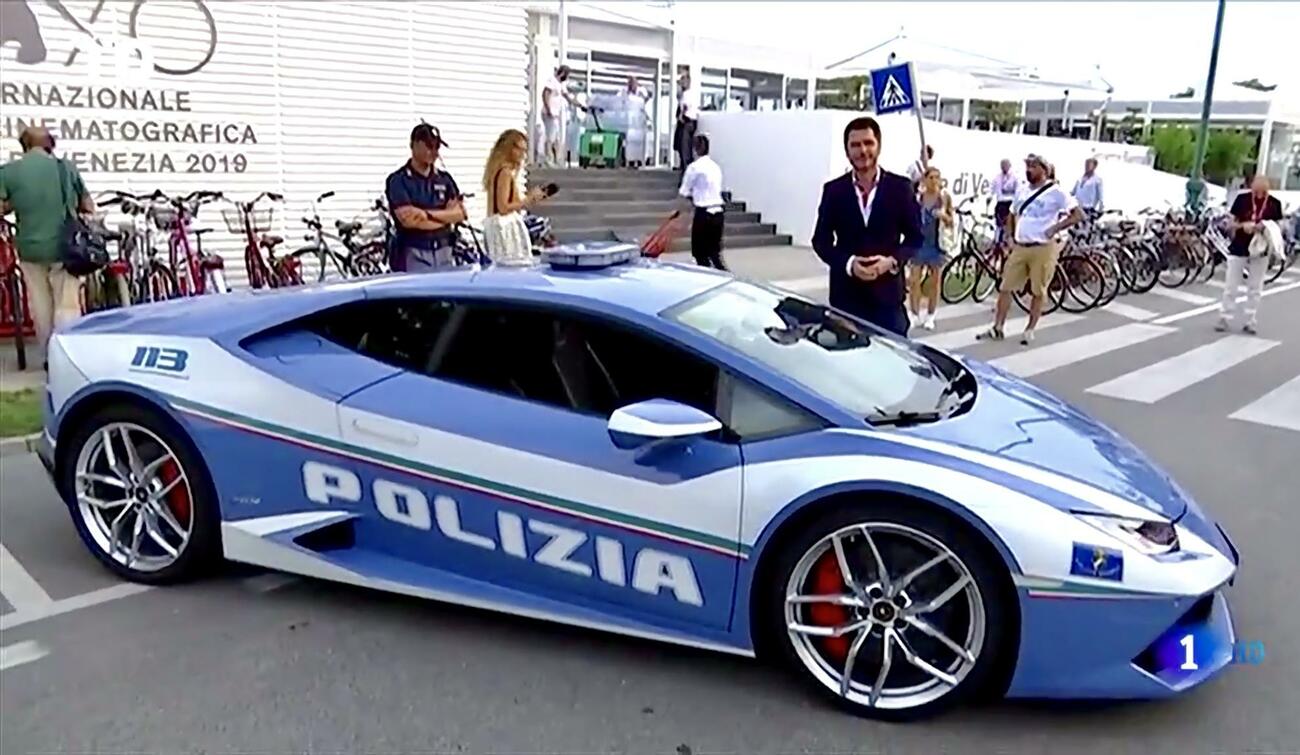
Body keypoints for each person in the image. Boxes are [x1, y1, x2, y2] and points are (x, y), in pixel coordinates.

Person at [811, 116, 923, 336]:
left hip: (888, 304)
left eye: (868, 143)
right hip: (846, 303)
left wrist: (891, 261)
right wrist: (849, 264)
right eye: (855, 145)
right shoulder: (834, 191)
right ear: (847, 150)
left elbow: (915, 238)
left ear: (878, 146)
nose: (862, 151)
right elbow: (820, 241)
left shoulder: (901, 188)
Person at [0, 126, 94, 364]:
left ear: (24, 146)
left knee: (40, 304)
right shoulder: (66, 169)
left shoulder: (8, 173)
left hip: (30, 247)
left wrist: (18, 204)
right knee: (66, 302)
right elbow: (88, 206)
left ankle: (48, 356)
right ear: (50, 144)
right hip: (66, 247)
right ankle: (69, 356)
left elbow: (2, 208)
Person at [977, 154, 1083, 345]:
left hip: (1042, 247)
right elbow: (1012, 213)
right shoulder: (1022, 190)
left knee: (1038, 290)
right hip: (1021, 245)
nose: (1029, 170)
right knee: (1005, 287)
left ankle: (1030, 329)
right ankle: (998, 327)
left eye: (1033, 166)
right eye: (1027, 166)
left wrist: (1055, 229)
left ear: (1044, 169)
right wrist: (1009, 237)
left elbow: (1077, 215)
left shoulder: (1056, 192)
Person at [384, 123, 466, 272]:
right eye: (429, 146)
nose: (434, 152)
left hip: (444, 250)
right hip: (414, 251)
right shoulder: (398, 180)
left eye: (437, 147)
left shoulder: (444, 179)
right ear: (414, 145)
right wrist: (444, 218)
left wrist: (426, 214)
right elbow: (409, 220)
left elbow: (460, 214)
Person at [1217, 174, 1283, 335]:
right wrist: (1242, 226)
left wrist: (1265, 227)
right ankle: (1225, 316)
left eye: (1263, 191)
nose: (1259, 194)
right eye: (1257, 190)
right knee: (1231, 284)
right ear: (1252, 187)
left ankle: (1250, 319)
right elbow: (1230, 224)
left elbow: (1279, 228)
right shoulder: (1242, 200)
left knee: (1255, 286)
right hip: (1239, 246)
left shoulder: (1274, 204)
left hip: (1261, 249)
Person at [482, 129, 548, 266]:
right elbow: (503, 207)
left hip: (495, 226)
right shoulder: (505, 173)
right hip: (504, 229)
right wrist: (527, 200)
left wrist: (529, 199)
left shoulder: (497, 172)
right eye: (520, 149)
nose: (522, 155)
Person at [909, 166, 954, 331]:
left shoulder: (944, 198)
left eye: (937, 177)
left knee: (935, 282)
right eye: (931, 177)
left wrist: (944, 216)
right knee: (915, 281)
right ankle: (914, 313)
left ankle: (930, 315)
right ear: (924, 180)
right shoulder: (918, 198)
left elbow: (952, 221)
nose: (934, 181)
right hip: (919, 243)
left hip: (936, 243)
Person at [675, 133, 727, 270]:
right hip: (718, 211)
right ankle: (724, 275)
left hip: (704, 213)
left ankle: (708, 276)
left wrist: (679, 212)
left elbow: (684, 192)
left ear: (694, 149)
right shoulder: (716, 167)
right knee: (715, 253)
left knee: (699, 253)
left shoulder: (694, 167)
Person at [542, 66, 575, 167]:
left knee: (556, 138)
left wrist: (579, 105)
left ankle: (556, 160)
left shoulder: (561, 84)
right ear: (562, 73)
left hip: (556, 114)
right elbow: (545, 94)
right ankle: (548, 159)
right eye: (566, 75)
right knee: (550, 137)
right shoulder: (552, 81)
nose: (567, 78)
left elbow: (567, 96)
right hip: (550, 113)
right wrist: (548, 109)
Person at [620, 76, 650, 168]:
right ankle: (629, 161)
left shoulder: (641, 92)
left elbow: (647, 98)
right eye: (630, 83)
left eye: (634, 83)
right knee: (629, 143)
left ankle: (639, 160)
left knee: (639, 144)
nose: (632, 86)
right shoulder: (624, 92)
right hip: (629, 123)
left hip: (639, 124)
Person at [675, 71, 700, 171]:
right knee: (686, 148)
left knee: (684, 149)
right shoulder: (692, 94)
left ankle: (685, 171)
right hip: (691, 122)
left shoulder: (686, 94)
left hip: (687, 122)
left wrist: (681, 116)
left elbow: (685, 106)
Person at [991, 158, 1018, 247]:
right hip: (1001, 203)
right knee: (999, 224)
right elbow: (992, 189)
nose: (1004, 168)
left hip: (1010, 203)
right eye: (1002, 166)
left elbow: (1018, 191)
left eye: (1005, 165)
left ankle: (1010, 241)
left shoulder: (1015, 177)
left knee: (1010, 224)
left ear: (1009, 166)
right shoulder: (997, 177)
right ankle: (997, 242)